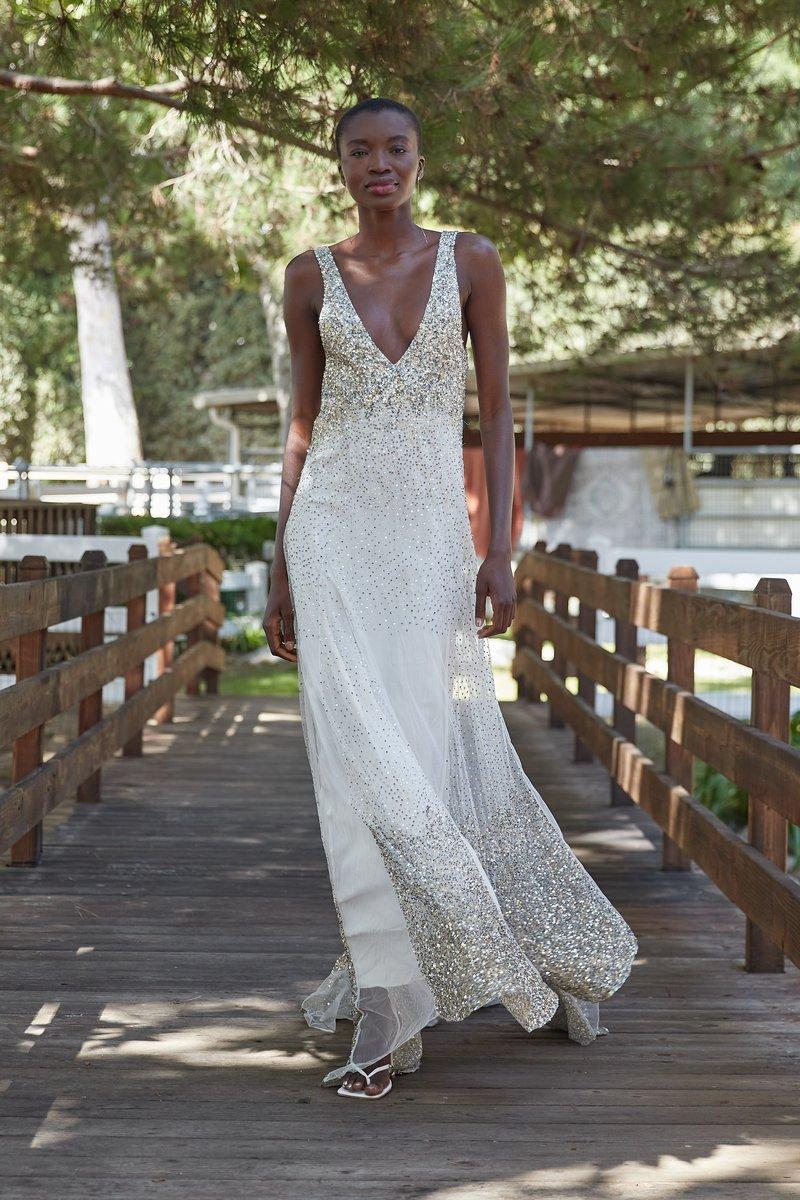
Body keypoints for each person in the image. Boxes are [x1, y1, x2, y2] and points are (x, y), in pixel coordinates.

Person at [263, 97, 637, 1100]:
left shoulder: (470, 260)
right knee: (363, 774)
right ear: (337, 165)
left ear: (418, 161)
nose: (376, 164)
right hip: (331, 535)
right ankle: (390, 1004)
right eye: (358, 151)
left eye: (394, 149)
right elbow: (300, 426)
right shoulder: (307, 275)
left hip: (429, 544)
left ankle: (499, 956)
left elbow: (502, 409)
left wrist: (498, 550)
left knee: (423, 764)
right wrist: (275, 561)